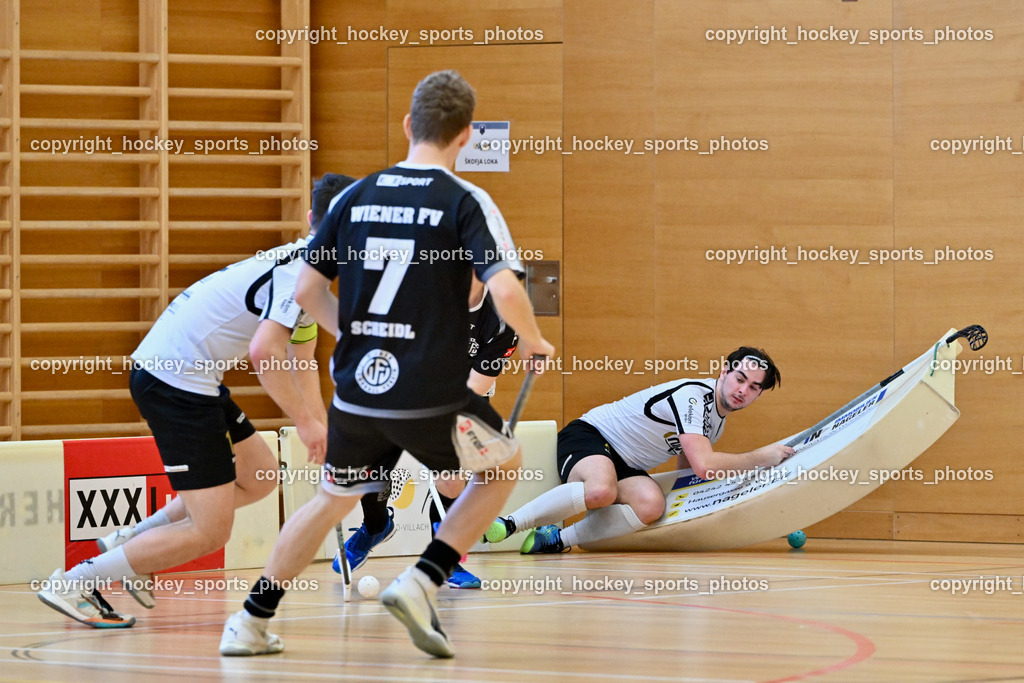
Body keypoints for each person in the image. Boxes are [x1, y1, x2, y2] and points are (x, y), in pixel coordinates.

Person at [218, 69, 554, 660]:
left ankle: (249, 620)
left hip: (355, 394)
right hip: (431, 393)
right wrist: (531, 340)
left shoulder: (356, 195)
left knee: (329, 501)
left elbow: (305, 291)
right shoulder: (466, 201)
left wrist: (354, 333)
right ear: (467, 135)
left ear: (408, 126)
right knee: (503, 466)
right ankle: (422, 580)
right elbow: (503, 287)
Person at [36, 173, 355, 628]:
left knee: (258, 477)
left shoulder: (300, 267)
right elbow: (265, 353)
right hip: (175, 382)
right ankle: (76, 581)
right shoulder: (297, 275)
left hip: (190, 377)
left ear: (311, 219)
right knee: (210, 530)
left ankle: (128, 543)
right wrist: (307, 423)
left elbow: (305, 357)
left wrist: (322, 424)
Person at [483, 348, 794, 553]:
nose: (742, 390)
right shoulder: (693, 396)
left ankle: (554, 540)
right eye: (740, 378)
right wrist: (763, 458)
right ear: (724, 371)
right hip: (590, 437)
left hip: (627, 465)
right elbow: (704, 464)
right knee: (601, 490)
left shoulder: (716, 422)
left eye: (754, 387)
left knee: (650, 506)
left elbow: (689, 470)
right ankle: (509, 524)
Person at [334, 274, 518, 589]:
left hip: (463, 398)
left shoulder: (501, 321)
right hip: (400, 385)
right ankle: (376, 526)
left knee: (450, 479)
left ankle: (444, 559)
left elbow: (475, 390)